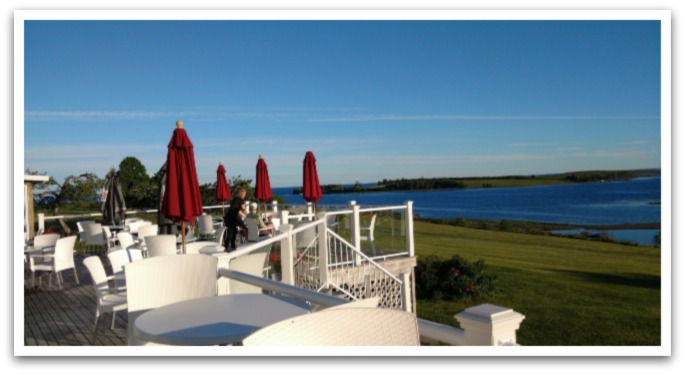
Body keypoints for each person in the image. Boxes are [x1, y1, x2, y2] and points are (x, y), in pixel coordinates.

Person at [223, 186, 247, 251]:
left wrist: (244, 215)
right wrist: (249, 215)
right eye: (244, 194)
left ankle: (230, 246)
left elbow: (236, 210)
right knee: (232, 232)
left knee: (233, 231)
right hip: (232, 218)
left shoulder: (235, 199)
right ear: (242, 193)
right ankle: (227, 247)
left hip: (229, 217)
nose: (245, 195)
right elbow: (244, 209)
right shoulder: (240, 200)